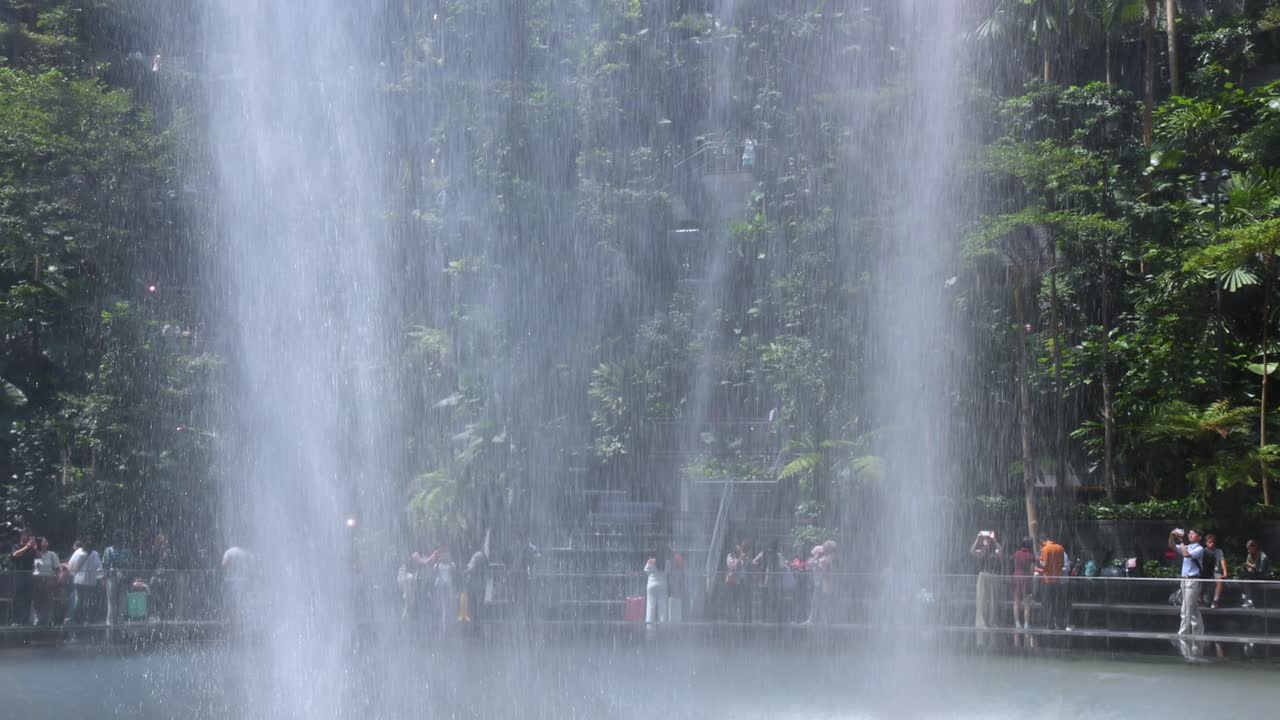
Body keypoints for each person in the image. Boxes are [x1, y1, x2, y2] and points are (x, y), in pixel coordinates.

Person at [1169, 528, 1206, 656]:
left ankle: (1182, 634)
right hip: (1184, 580)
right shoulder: (1188, 546)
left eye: (1193, 533)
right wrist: (1172, 536)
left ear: (1199, 537)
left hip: (1193, 580)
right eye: (1189, 533)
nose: (1190, 535)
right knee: (1193, 609)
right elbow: (1172, 546)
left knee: (1186, 608)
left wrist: (1181, 541)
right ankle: (1199, 633)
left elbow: (1185, 554)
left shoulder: (1199, 549)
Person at [970, 531, 1003, 646]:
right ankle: (981, 622)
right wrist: (977, 539)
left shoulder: (995, 550)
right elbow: (972, 551)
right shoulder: (982, 551)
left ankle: (992, 621)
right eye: (986, 539)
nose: (987, 541)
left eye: (987, 539)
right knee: (981, 600)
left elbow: (1001, 552)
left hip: (993, 575)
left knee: (994, 600)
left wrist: (994, 540)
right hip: (983, 575)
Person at [65, 537, 102, 625]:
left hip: (83, 580)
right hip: (85, 581)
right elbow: (99, 568)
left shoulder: (83, 553)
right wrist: (100, 577)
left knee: (83, 601)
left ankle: (83, 618)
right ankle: (83, 618)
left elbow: (71, 565)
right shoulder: (93, 553)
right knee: (83, 601)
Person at [101, 542, 135, 625]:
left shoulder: (108, 550)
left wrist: (104, 578)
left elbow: (105, 565)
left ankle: (111, 621)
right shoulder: (126, 551)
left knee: (112, 602)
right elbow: (131, 564)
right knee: (121, 600)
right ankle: (120, 620)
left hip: (112, 578)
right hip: (121, 577)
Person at [1036, 537, 1067, 630]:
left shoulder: (1045, 549)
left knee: (1048, 603)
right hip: (1058, 580)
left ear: (1042, 542)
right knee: (1058, 603)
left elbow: (1044, 565)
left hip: (1048, 581)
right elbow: (1061, 565)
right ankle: (1060, 623)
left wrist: (1039, 560)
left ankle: (1050, 624)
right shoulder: (1060, 548)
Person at [753, 542, 787, 623]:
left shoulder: (764, 553)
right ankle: (770, 618)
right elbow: (783, 566)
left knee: (767, 599)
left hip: (768, 581)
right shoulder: (776, 555)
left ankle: (766, 618)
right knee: (771, 599)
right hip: (771, 581)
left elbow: (754, 562)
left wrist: (760, 567)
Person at [9, 527, 37, 625]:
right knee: (17, 597)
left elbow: (37, 557)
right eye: (27, 534)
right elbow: (14, 555)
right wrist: (26, 547)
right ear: (22, 535)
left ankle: (26, 620)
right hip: (19, 575)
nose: (29, 537)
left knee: (28, 598)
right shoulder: (16, 545)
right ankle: (15, 620)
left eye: (30, 535)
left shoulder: (31, 549)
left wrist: (34, 547)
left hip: (29, 576)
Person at [1011, 537, 1036, 642]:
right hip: (1026, 578)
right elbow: (1031, 570)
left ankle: (1017, 624)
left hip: (1016, 576)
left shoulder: (1016, 553)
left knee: (1016, 601)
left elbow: (1014, 565)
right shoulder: (1031, 556)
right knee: (1026, 603)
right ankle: (1026, 624)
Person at [32, 537, 60, 627]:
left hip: (49, 579)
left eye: (46, 541)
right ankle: (37, 619)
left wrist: (57, 579)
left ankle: (49, 619)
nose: (44, 543)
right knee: (37, 600)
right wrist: (36, 551)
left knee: (49, 600)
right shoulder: (36, 554)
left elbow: (58, 567)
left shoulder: (52, 554)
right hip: (37, 579)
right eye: (42, 542)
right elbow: (38, 566)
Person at [222, 545, 254, 623]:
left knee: (234, 600)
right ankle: (239, 617)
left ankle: (233, 617)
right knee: (239, 600)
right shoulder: (241, 553)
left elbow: (224, 564)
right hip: (241, 580)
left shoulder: (229, 553)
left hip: (234, 580)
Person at [1240, 540, 1272, 608]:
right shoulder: (1249, 555)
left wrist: (1252, 566)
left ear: (1254, 547)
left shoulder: (1263, 557)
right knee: (1244, 577)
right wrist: (1249, 568)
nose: (1248, 551)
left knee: (1246, 577)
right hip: (1253, 574)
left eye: (1249, 549)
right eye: (1247, 549)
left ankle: (1247, 599)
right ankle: (1249, 600)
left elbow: (1260, 570)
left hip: (1263, 575)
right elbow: (1248, 566)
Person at [724, 542, 750, 623]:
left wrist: (744, 558)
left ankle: (736, 617)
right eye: (738, 546)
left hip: (738, 582)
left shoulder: (739, 556)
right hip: (730, 582)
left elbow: (745, 566)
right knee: (730, 601)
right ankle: (730, 618)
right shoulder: (730, 556)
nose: (739, 548)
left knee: (737, 600)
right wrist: (740, 558)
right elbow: (733, 567)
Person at [644, 548, 669, 626]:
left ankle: (649, 630)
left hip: (651, 585)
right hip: (662, 585)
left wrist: (652, 575)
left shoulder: (650, 561)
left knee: (650, 608)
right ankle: (663, 629)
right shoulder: (667, 562)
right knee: (663, 608)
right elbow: (668, 572)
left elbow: (645, 570)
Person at [1202, 534, 1228, 608]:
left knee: (1219, 579)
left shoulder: (1219, 551)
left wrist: (1225, 572)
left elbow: (1222, 561)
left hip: (1216, 573)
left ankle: (1215, 600)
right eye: (1210, 542)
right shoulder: (1203, 551)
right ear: (1206, 543)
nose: (1212, 544)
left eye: (1213, 542)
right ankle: (1201, 598)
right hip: (1205, 573)